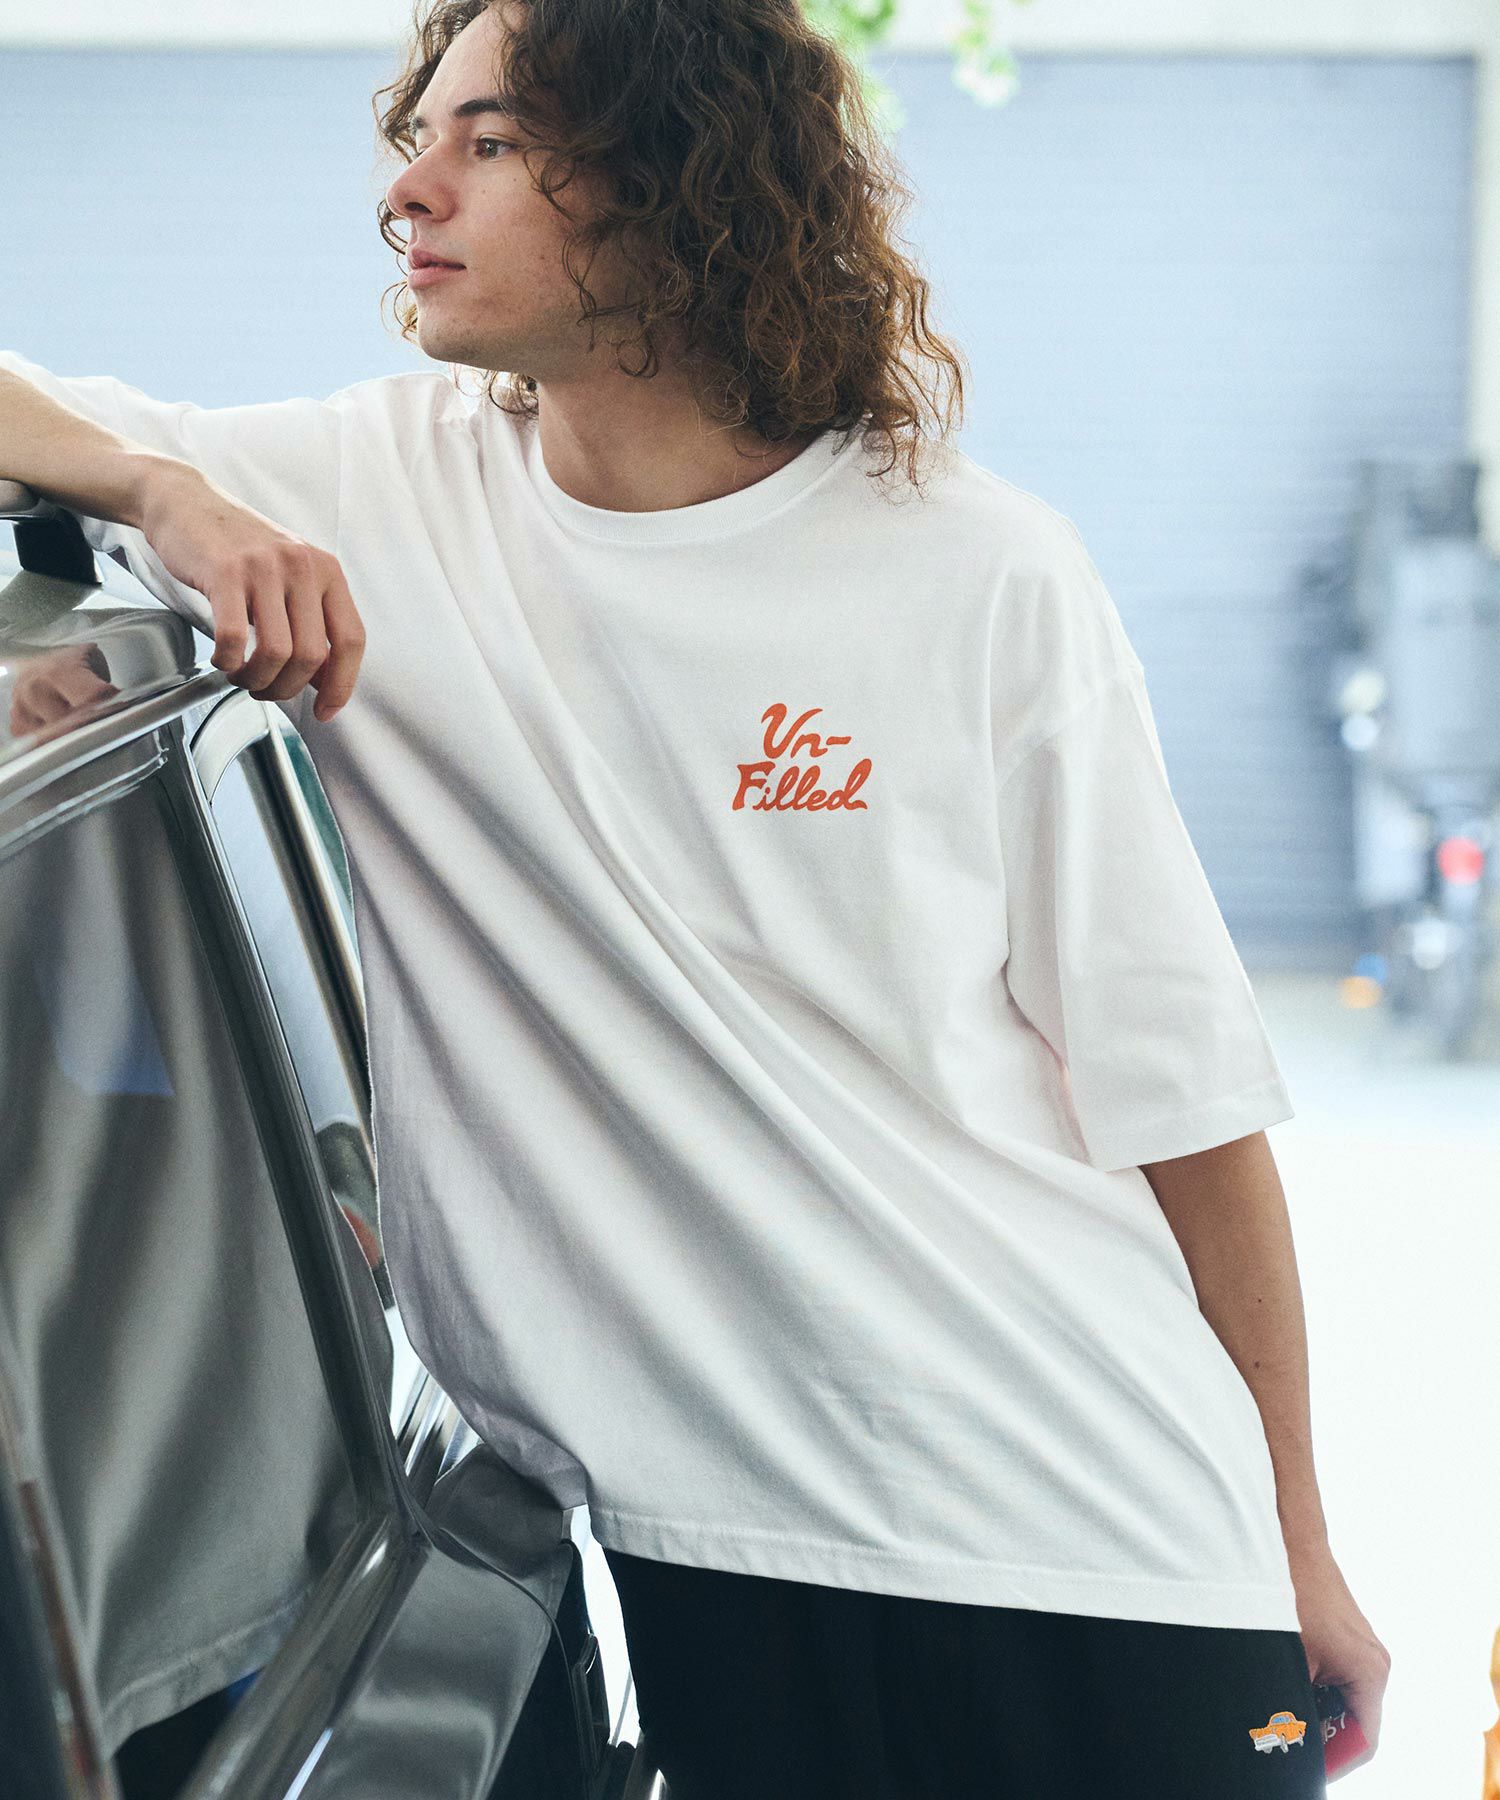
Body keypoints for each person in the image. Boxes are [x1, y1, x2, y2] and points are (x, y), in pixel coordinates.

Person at [0, 1, 1388, 1793]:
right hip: (716, 1570)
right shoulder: (370, 494)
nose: (408, 190)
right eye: (419, 137)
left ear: (680, 180)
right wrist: (158, 489)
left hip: (1097, 1545)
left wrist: (1298, 1539)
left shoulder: (982, 573)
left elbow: (1183, 1105)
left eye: (493, 141)